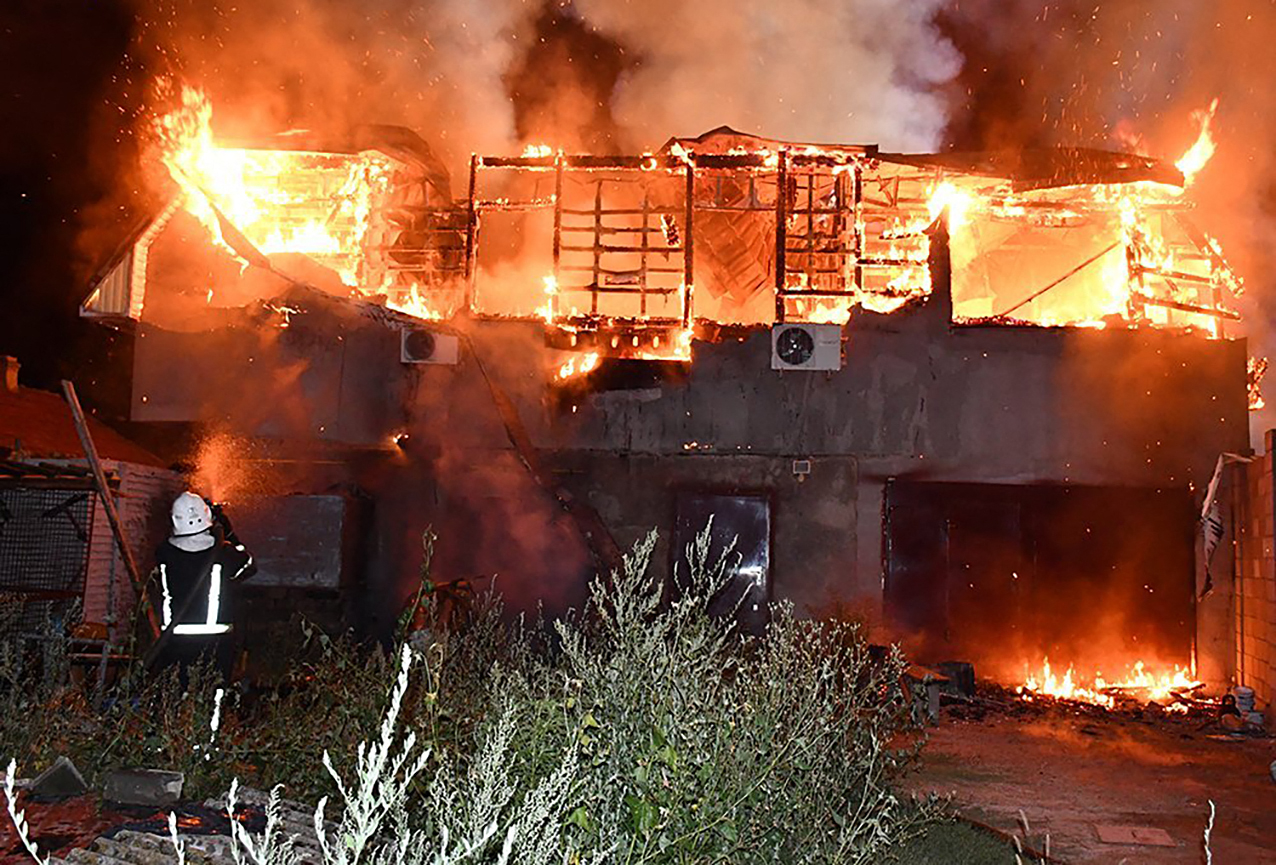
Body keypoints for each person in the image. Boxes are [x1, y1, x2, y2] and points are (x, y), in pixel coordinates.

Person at [152, 492, 255, 688]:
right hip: (216, 641)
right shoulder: (224, 551)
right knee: (213, 691)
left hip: (174, 639)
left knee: (174, 690)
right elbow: (249, 565)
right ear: (206, 515)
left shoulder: (164, 552)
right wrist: (228, 532)